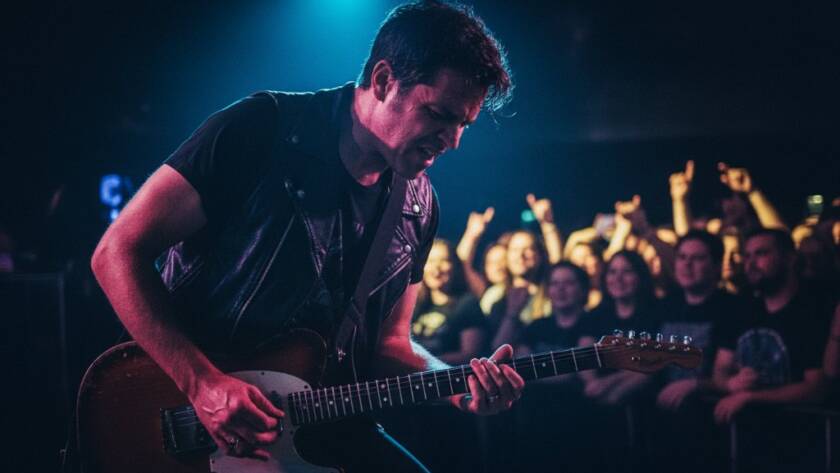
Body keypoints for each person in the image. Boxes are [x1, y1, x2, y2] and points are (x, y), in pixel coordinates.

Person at [90, 2, 524, 471]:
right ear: (382, 81)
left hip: (317, 428)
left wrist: (452, 383)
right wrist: (202, 383)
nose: (452, 140)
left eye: (463, 124)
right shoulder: (261, 129)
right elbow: (116, 251)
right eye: (439, 114)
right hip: (190, 418)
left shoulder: (419, 205)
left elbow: (389, 345)